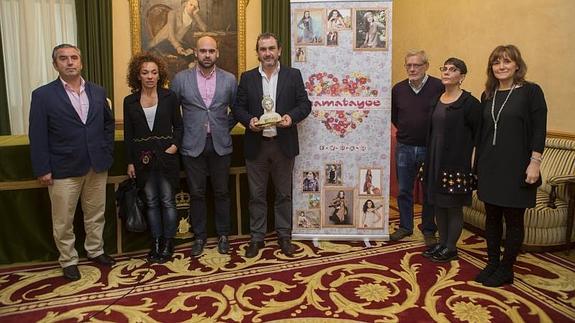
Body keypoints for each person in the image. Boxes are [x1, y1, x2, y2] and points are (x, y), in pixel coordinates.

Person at [29, 44, 116, 280]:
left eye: (74, 57)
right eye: (63, 58)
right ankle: (68, 260)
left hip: (96, 164)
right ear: (55, 64)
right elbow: (37, 135)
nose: (70, 62)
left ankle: (95, 250)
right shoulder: (42, 95)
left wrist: (106, 150)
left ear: (81, 62)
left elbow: (108, 125)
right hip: (62, 168)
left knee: (95, 213)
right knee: (63, 219)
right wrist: (42, 168)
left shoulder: (98, 92)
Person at [233, 32, 311, 258]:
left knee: (283, 194)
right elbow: (238, 107)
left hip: (283, 145)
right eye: (263, 49)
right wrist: (249, 121)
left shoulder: (293, 75)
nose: (267, 53)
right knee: (256, 195)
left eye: (271, 48)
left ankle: (284, 236)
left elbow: (304, 104)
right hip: (256, 145)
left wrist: (291, 117)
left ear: (279, 51)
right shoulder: (247, 78)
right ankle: (257, 238)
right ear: (257, 53)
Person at [474, 45, 547, 287]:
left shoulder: (531, 92)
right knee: (492, 218)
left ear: (517, 65)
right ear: (491, 67)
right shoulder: (488, 94)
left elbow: (539, 129)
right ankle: (493, 263)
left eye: (506, 61)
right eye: (496, 62)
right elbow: (482, 134)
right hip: (490, 165)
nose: (501, 66)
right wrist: (476, 163)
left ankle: (507, 268)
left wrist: (534, 163)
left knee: (514, 220)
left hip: (518, 166)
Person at [171, 36, 237, 257]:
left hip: (220, 144)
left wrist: (222, 127)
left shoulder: (229, 79)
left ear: (217, 53)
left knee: (222, 192)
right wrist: (185, 132)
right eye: (203, 51)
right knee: (197, 194)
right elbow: (173, 113)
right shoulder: (180, 79)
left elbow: (238, 110)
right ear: (196, 53)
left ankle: (223, 235)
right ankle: (199, 237)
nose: (207, 55)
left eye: (211, 51)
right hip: (192, 146)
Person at [123, 53, 183, 263]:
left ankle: (168, 241)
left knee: (167, 201)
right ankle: (156, 242)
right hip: (143, 160)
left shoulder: (170, 96)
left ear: (160, 75)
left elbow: (180, 125)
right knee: (151, 201)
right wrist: (130, 161)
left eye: (154, 72)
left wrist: (175, 146)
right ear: (137, 76)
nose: (150, 76)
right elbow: (129, 135)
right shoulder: (129, 101)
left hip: (167, 158)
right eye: (145, 72)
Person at [420, 58, 481, 263]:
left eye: (452, 69)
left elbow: (478, 135)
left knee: (452, 206)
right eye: (444, 68)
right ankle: (441, 243)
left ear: (461, 77)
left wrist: (473, 164)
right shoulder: (437, 99)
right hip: (434, 159)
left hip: (456, 163)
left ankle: (451, 247)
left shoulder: (470, 103)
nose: (446, 72)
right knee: (438, 204)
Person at [391, 50, 444, 246]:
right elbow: (395, 116)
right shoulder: (398, 89)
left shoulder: (439, 86)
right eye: (409, 65)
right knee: (404, 189)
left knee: (430, 191)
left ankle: (429, 229)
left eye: (417, 65)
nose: (412, 69)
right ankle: (405, 226)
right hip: (404, 146)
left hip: (429, 148)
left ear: (426, 66)